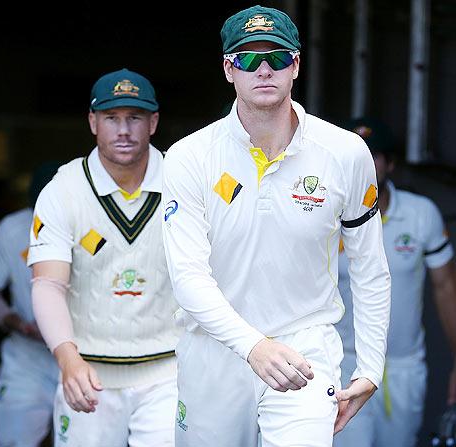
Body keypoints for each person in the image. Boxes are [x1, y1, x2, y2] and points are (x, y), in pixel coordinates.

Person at [161, 5, 391, 446]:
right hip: (213, 349)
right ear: (229, 69)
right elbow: (188, 276)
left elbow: (369, 267)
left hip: (305, 347)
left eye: (277, 57)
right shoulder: (189, 156)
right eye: (247, 58)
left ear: (296, 65)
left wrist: (370, 366)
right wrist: (253, 345)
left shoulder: (346, 152)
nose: (263, 69)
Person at [28, 68, 182, 446]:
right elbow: (48, 283)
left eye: (135, 118)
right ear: (93, 122)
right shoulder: (63, 189)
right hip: (87, 371)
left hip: (170, 370)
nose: (124, 130)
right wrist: (67, 359)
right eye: (112, 118)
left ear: (154, 122)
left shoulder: (184, 178)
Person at [334, 117, 456, 447]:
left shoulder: (421, 214)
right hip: (343, 363)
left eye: (373, 155)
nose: (364, 164)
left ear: (390, 162)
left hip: (404, 366)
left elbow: (446, 288)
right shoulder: (324, 216)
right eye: (355, 154)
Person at [0, 161, 62, 447]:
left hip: (85, 360)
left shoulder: (97, 230)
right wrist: (17, 323)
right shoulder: (13, 229)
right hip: (26, 361)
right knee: (14, 440)